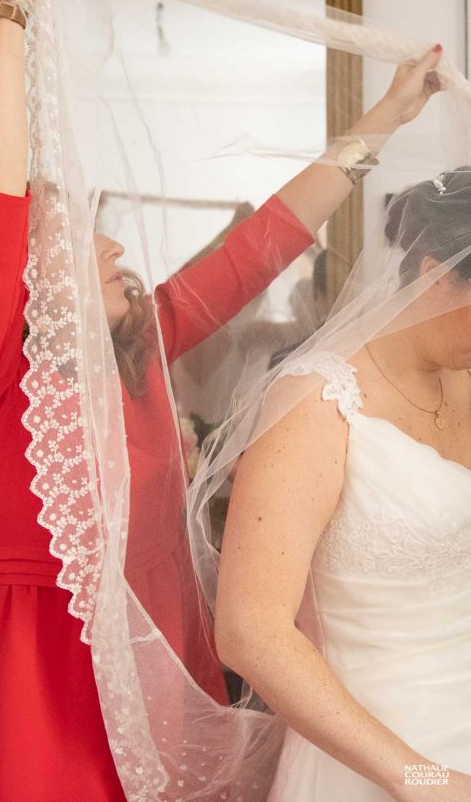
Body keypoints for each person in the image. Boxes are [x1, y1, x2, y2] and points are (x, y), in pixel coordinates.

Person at [0, 0, 443, 801]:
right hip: (45, 678)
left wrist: (382, 118)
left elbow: (262, 244)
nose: (113, 246)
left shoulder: (138, 349)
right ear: (10, 286)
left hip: (166, 643)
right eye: (76, 236)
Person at [215, 168, 471, 801]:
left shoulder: (463, 376)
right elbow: (250, 631)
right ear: (435, 275)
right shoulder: (315, 402)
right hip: (380, 753)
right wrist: (422, 778)